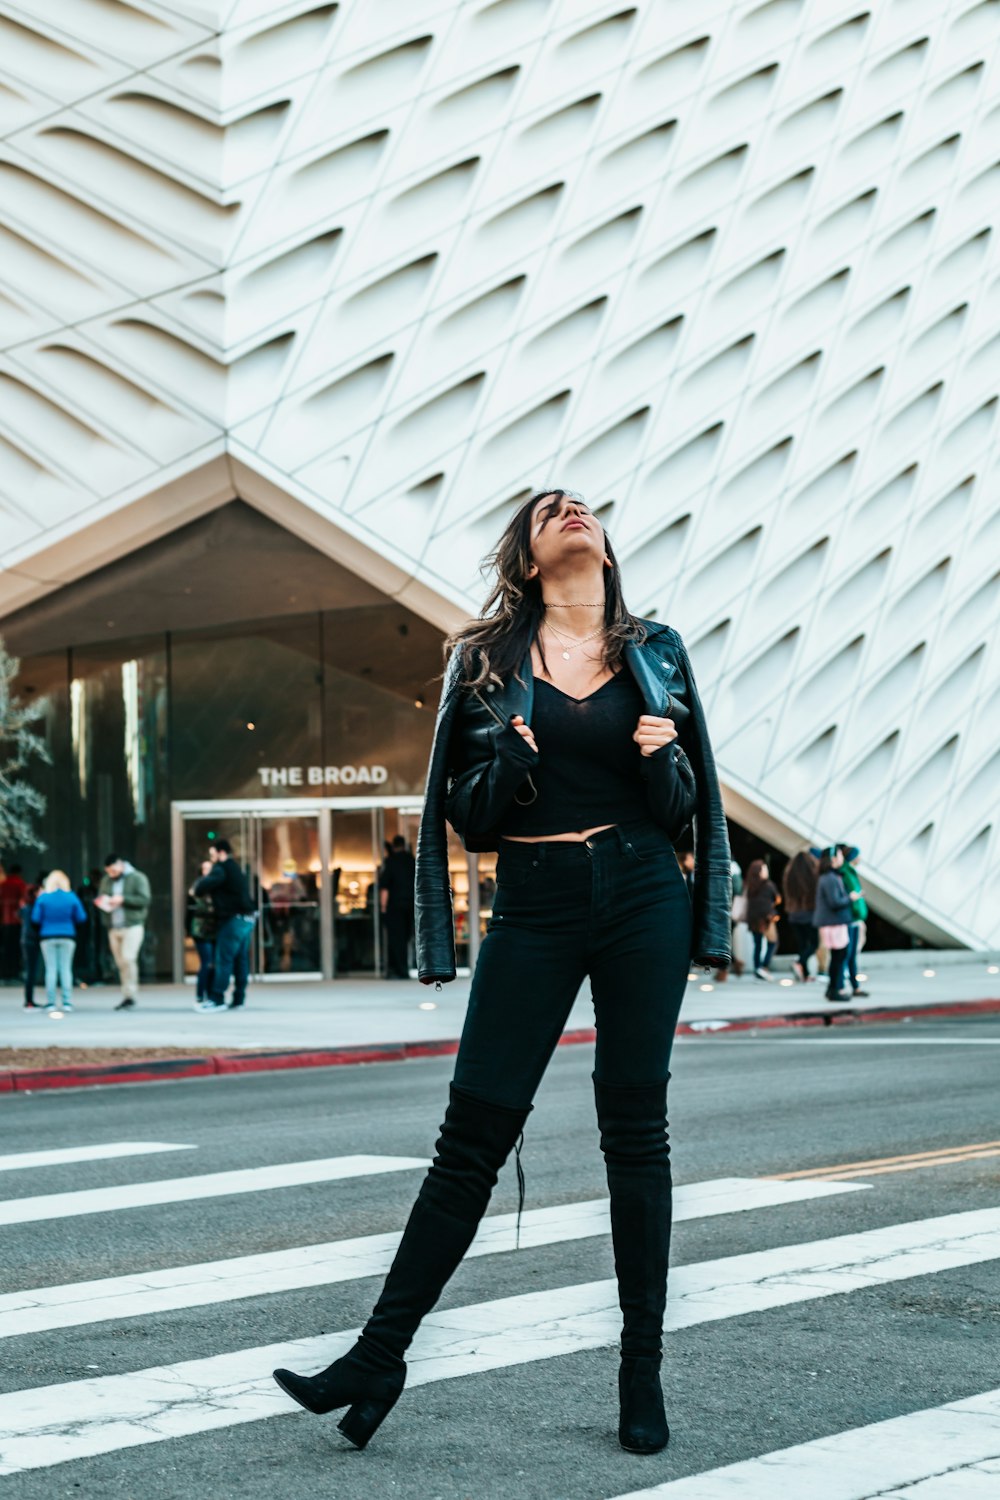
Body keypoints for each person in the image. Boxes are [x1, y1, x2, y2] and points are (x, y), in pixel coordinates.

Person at [273, 488, 731, 1454]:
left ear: (604, 546)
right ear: (528, 560)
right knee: (471, 1136)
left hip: (644, 890)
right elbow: (466, 816)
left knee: (634, 1131)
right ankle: (377, 1355)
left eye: (583, 508)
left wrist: (661, 759)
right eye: (547, 512)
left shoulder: (658, 647)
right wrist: (513, 766)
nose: (571, 513)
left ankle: (639, 1369)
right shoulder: (481, 660)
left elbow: (687, 808)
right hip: (536, 898)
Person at [194, 840, 256, 1010]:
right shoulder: (235, 868)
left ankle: (217, 998)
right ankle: (238, 999)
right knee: (241, 960)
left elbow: (200, 888)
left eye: (213, 854)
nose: (212, 858)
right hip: (246, 919)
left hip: (233, 920)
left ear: (221, 853)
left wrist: (200, 885)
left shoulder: (221, 868)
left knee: (224, 959)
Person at [95, 854, 151, 1010]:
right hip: (113, 927)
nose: (111, 874)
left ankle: (130, 995)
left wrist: (123, 899)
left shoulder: (137, 878)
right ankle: (126, 995)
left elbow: (145, 900)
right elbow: (101, 896)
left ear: (120, 865)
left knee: (128, 959)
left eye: (113, 871)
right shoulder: (106, 880)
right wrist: (105, 902)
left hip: (132, 925)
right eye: (108, 872)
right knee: (120, 963)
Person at [31, 871, 87, 1014]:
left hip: (47, 936)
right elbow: (81, 917)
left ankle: (51, 1003)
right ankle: (67, 1002)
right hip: (67, 935)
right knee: (65, 969)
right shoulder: (71, 897)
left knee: (51, 969)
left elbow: (35, 918)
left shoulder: (43, 898)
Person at [813, 847, 854, 1001]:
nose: (842, 858)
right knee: (839, 956)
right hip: (834, 922)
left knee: (838, 956)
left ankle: (833, 989)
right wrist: (851, 898)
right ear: (833, 859)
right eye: (839, 856)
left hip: (832, 922)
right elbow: (835, 901)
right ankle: (835, 989)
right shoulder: (830, 878)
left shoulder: (827, 877)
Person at [381, 835, 416, 979]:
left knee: (396, 938)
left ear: (394, 846)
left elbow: (385, 888)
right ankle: (404, 968)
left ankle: (398, 970)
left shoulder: (391, 862)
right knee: (407, 937)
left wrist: (383, 907)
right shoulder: (412, 861)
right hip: (411, 905)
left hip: (395, 906)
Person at [837, 844, 870, 998]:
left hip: (855, 918)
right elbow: (850, 896)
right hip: (850, 918)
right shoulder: (845, 873)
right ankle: (841, 986)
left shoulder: (849, 872)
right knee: (848, 953)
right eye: (858, 855)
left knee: (852, 954)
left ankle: (855, 986)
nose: (860, 858)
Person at [783, 850, 819, 982]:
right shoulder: (812, 874)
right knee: (814, 944)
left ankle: (806, 975)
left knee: (802, 945)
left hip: (793, 915)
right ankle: (799, 962)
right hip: (809, 913)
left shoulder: (789, 874)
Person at [745, 858, 780, 979]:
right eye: (764, 869)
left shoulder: (750, 885)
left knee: (757, 945)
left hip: (753, 919)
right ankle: (764, 966)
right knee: (773, 942)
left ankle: (757, 969)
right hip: (766, 918)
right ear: (759, 871)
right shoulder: (768, 885)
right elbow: (777, 899)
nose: (766, 871)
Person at [188, 861, 217, 1005]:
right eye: (204, 868)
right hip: (201, 929)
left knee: (214, 963)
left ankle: (212, 994)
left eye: (209, 868)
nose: (207, 871)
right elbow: (191, 909)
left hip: (216, 929)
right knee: (207, 962)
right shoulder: (197, 887)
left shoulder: (217, 886)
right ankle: (201, 994)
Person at [20, 871, 46, 1009]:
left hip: (26, 941)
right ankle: (29, 1001)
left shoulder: (26, 908)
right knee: (31, 971)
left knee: (30, 971)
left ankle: (29, 1000)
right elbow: (33, 927)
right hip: (31, 942)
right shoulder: (32, 908)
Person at [0, 862, 28, 979]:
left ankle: (5, 972)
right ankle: (14, 971)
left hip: (4, 920)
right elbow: (24, 901)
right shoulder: (20, 884)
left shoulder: (3, 884)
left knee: (5, 947)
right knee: (16, 948)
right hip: (16, 921)